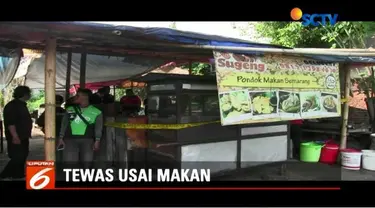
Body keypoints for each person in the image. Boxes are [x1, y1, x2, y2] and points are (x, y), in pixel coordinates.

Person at [57, 88, 103, 169]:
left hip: (88, 140)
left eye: (78, 95)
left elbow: (98, 128)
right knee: (70, 164)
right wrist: (61, 138)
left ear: (85, 97)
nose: (75, 97)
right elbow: (64, 124)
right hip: (70, 140)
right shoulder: (70, 110)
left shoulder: (97, 112)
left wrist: (97, 141)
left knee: (87, 164)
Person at [0, 86, 32, 180]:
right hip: (17, 136)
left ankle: (18, 174)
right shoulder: (13, 106)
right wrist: (15, 136)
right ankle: (5, 174)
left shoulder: (22, 105)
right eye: (28, 93)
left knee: (23, 154)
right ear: (23, 94)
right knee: (18, 156)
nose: (29, 95)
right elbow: (11, 123)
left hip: (23, 135)